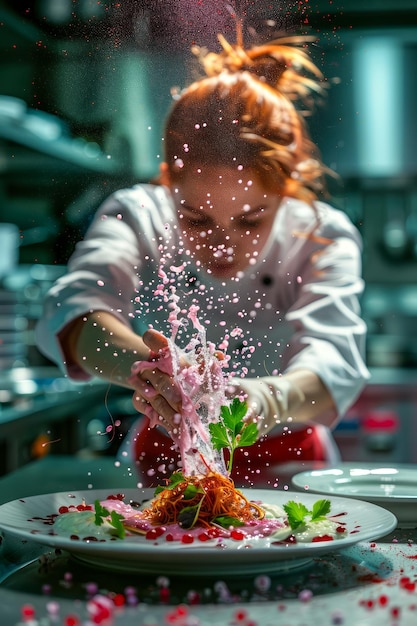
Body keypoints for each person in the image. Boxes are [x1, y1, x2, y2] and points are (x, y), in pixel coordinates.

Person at [36, 33, 369, 486]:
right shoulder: (139, 213)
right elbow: (77, 311)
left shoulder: (319, 233)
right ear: (169, 182)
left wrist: (267, 398)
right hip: (163, 463)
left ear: (285, 188)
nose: (223, 247)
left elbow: (336, 360)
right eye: (197, 220)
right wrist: (156, 373)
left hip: (295, 468)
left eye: (251, 222)